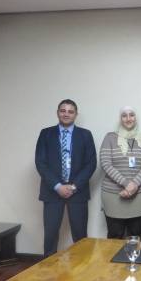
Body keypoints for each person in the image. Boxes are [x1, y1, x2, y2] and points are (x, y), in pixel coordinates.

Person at [35, 99, 97, 257]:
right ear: (57, 113)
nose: (66, 114)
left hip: (78, 192)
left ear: (76, 114)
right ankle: (48, 269)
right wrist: (57, 186)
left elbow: (91, 164)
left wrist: (74, 186)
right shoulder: (45, 133)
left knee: (80, 235)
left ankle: (82, 268)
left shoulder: (85, 135)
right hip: (52, 192)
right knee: (50, 234)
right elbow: (40, 162)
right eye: (63, 111)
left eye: (70, 111)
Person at [99, 106, 141, 239]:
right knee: (115, 236)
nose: (128, 118)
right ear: (120, 118)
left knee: (136, 236)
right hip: (114, 195)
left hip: (140, 196)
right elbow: (106, 163)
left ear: (135, 118)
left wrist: (134, 185)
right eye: (124, 115)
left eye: (131, 115)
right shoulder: (110, 138)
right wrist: (127, 184)